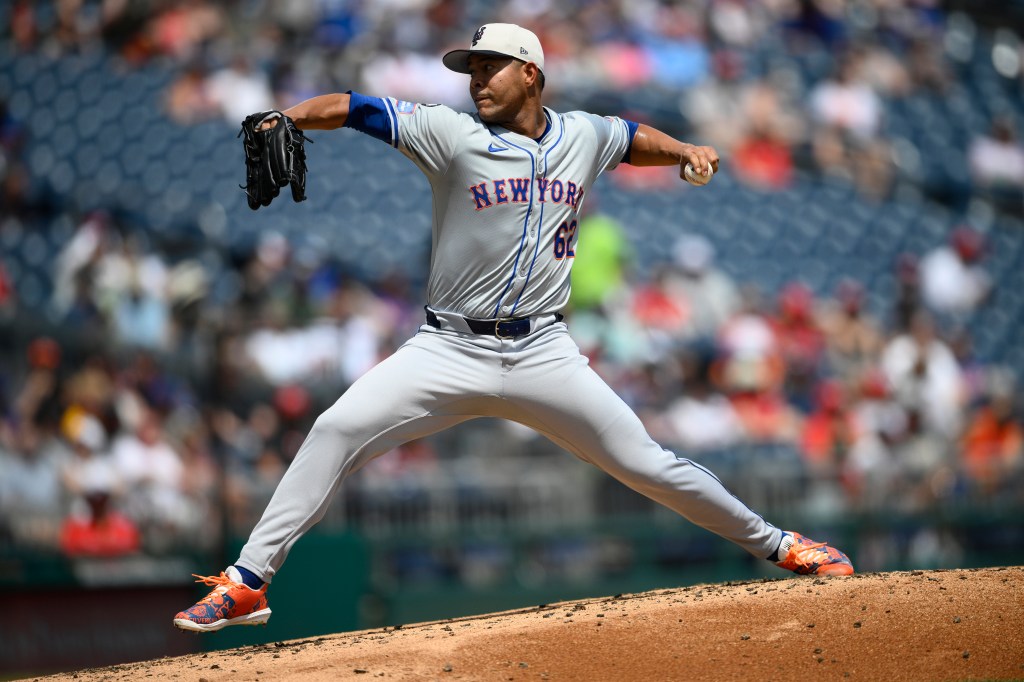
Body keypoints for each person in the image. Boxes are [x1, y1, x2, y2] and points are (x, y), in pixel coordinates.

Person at [174, 23, 853, 633]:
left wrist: (683, 151)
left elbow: (628, 136)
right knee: (335, 429)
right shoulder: (451, 134)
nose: (475, 80)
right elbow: (354, 108)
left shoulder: (581, 135)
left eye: (489, 66)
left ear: (530, 72)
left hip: (543, 352)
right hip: (447, 347)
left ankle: (781, 545)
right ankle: (246, 582)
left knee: (649, 464)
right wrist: (287, 117)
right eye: (470, 69)